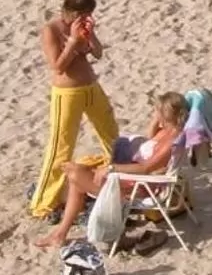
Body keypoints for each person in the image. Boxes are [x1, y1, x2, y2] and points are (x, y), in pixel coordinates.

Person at [37, 92, 191, 248]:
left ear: (166, 114)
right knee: (76, 173)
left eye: (157, 111)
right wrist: (156, 121)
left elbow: (146, 168)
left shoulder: (172, 141)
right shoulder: (166, 131)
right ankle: (60, 233)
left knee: (75, 174)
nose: (155, 113)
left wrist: (111, 168)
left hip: (141, 186)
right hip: (132, 178)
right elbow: (150, 140)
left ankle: (64, 233)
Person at [28, 0, 121, 218]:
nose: (88, 18)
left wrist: (90, 36)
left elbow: (98, 53)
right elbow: (57, 66)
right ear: (73, 13)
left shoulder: (83, 26)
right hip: (67, 93)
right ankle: (44, 203)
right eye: (85, 15)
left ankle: (119, 178)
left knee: (111, 135)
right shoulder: (51, 30)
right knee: (61, 146)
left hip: (91, 87)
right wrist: (72, 42)